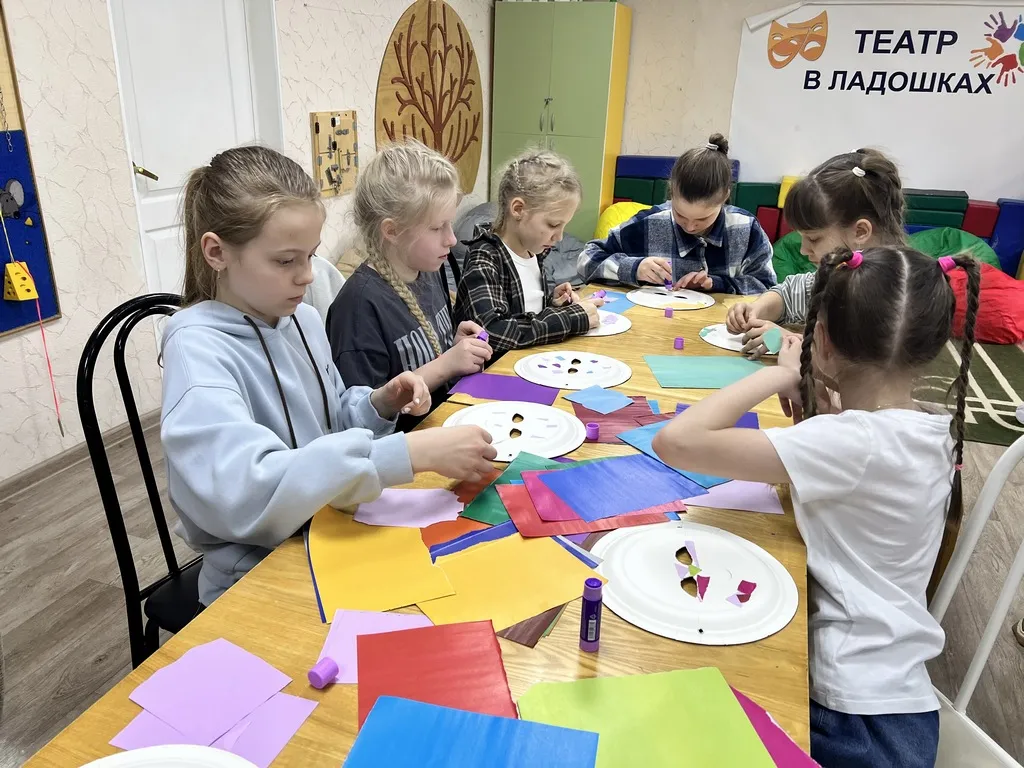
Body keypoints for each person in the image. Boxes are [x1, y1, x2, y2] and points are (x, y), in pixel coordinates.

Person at [653, 246, 982, 768]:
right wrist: (826, 413)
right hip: (902, 704)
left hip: (850, 721)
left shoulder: (851, 442)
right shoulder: (932, 429)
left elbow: (676, 441)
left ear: (821, 340)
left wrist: (782, 374)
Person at [161, 145, 497, 605]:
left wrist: (378, 403)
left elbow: (330, 424)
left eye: (311, 256)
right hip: (255, 574)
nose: (307, 276)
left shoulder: (300, 318)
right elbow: (245, 491)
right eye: (286, 261)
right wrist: (405, 453)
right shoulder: (197, 350)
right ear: (217, 252)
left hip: (331, 530)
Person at [326, 140, 493, 430]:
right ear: (392, 231)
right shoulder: (358, 306)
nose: (452, 239)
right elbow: (362, 420)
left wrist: (453, 345)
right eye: (437, 227)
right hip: (409, 448)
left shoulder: (428, 269)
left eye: (450, 224)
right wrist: (446, 365)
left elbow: (424, 354)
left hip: (448, 423)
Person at [726, 148, 905, 357]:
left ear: (860, 232)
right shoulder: (840, 273)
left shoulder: (898, 291)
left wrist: (791, 340)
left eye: (813, 239)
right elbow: (790, 294)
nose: (803, 250)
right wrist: (757, 309)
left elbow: (858, 363)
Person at [577, 133, 775, 294]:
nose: (690, 226)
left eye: (703, 218)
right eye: (680, 214)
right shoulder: (649, 224)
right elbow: (586, 259)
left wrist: (717, 284)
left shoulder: (746, 229)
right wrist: (634, 268)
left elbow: (767, 286)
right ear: (671, 194)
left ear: (725, 197)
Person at [453, 149, 603, 356]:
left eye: (563, 226)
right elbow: (491, 333)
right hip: (496, 370)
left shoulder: (533, 252)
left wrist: (552, 304)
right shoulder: (484, 257)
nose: (559, 237)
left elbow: (524, 315)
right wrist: (570, 318)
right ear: (518, 209)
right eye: (553, 225)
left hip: (530, 360)